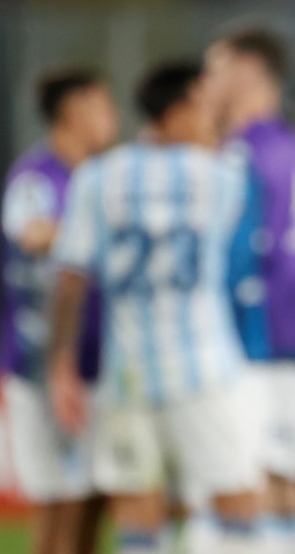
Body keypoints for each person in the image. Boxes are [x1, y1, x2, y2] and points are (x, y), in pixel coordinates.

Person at [47, 62, 262, 554]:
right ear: (178, 110)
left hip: (128, 374)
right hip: (205, 368)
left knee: (138, 511)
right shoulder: (223, 177)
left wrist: (61, 367)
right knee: (237, 501)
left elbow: (70, 278)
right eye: (204, 106)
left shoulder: (97, 178)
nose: (213, 119)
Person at [204, 27, 295, 553]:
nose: (206, 83)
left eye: (215, 69)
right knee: (284, 484)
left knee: (244, 482)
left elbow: (234, 252)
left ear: (247, 72)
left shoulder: (241, 153)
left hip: (251, 336)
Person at [0, 68, 117, 554]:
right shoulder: (35, 177)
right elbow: (33, 233)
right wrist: (100, 238)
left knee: (94, 503)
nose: (112, 117)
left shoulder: (99, 178)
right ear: (74, 108)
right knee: (59, 507)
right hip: (41, 366)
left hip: (99, 364)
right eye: (103, 105)